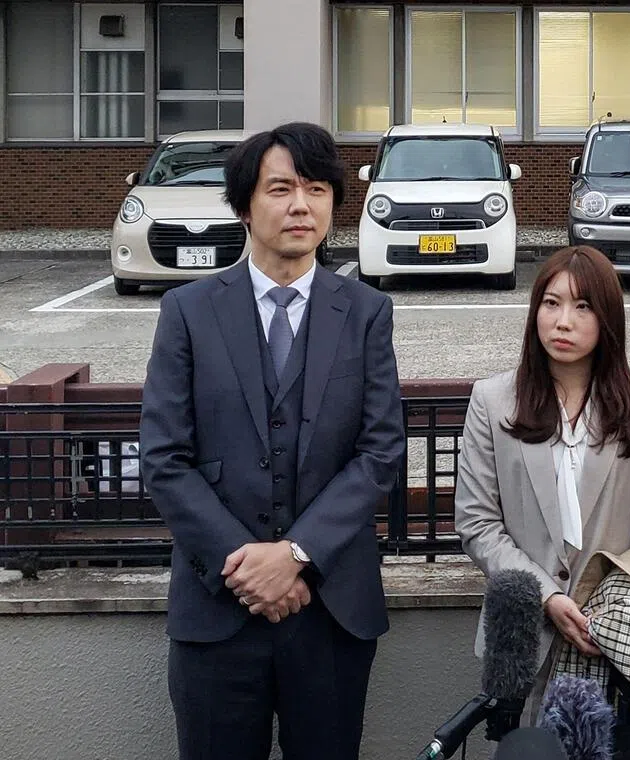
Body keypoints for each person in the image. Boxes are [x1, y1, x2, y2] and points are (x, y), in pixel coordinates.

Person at [139, 122, 405, 760]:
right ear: (243, 205)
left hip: (329, 606)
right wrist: (248, 564)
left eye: (316, 190)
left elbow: (379, 452)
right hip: (218, 607)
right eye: (281, 188)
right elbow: (165, 459)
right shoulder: (189, 312)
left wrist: (296, 555)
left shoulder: (366, 312)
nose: (300, 206)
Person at [454, 245, 630, 720]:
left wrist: (624, 609)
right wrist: (548, 596)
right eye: (551, 303)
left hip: (616, 636)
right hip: (523, 636)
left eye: (583, 307)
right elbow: (478, 524)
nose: (563, 322)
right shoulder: (494, 400)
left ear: (608, 320)